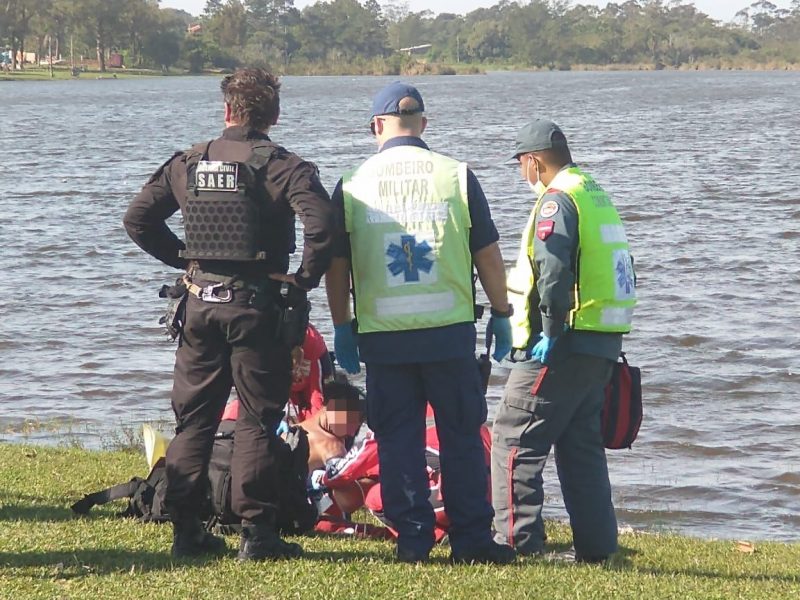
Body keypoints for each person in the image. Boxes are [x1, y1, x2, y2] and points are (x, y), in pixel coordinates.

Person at [123, 68, 336, 561]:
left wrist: (185, 260)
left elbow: (137, 220)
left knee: (193, 421)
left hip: (199, 306)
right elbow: (322, 226)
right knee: (258, 421)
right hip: (257, 307)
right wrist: (302, 278)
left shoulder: (188, 162)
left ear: (227, 111)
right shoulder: (285, 167)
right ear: (274, 116)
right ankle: (258, 534)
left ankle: (186, 529)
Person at [325, 81, 516, 564]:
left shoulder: (351, 185)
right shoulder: (457, 175)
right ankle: (472, 539)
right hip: (449, 334)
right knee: (461, 436)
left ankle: (413, 540)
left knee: (398, 442)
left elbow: (336, 266)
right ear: (424, 125)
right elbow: (488, 257)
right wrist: (501, 313)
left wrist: (342, 325)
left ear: (376, 126)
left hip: (384, 340)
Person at [490, 119, 637, 562]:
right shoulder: (592, 190)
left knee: (512, 439)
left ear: (534, 161)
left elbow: (554, 272)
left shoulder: (557, 201)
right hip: (601, 343)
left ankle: (516, 544)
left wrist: (550, 333)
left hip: (562, 346)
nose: (521, 173)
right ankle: (597, 549)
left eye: (520, 163)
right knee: (581, 449)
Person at [321, 405, 493, 544]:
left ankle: (434, 534)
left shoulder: (400, 414)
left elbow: (344, 471)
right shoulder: (468, 413)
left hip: (447, 501)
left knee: (375, 495)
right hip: (482, 502)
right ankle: (461, 531)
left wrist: (321, 477)